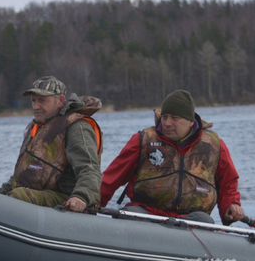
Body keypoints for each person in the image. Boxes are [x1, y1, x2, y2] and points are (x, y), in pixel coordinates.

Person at [100, 89, 244, 224]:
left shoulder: (214, 145)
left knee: (205, 220)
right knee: (130, 214)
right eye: (165, 117)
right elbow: (110, 179)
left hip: (192, 217)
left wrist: (231, 205)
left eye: (174, 118)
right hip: (144, 212)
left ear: (190, 122)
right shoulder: (143, 140)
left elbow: (228, 183)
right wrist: (91, 201)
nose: (167, 123)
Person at [0, 76, 103, 212]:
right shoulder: (36, 128)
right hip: (38, 194)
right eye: (33, 101)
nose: (36, 106)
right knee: (11, 194)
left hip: (66, 199)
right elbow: (23, 173)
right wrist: (1, 193)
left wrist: (81, 197)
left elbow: (89, 169)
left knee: (19, 195)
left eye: (42, 100)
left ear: (61, 101)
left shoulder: (77, 127)